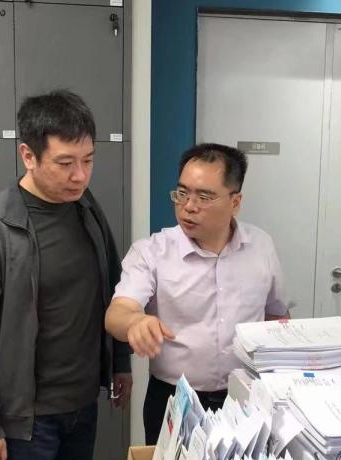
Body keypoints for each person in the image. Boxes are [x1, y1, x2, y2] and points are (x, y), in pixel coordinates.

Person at [0, 90, 131, 460]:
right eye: (65, 163)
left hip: (82, 407)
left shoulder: (87, 209)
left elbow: (113, 288)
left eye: (88, 160)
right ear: (28, 156)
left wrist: (120, 362)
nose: (80, 175)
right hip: (25, 422)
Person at [105, 143, 289, 444]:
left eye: (204, 197)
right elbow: (117, 313)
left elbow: (277, 315)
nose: (188, 206)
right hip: (173, 399)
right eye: (182, 193)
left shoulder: (261, 246)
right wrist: (135, 322)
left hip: (245, 399)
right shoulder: (152, 252)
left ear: (235, 202)